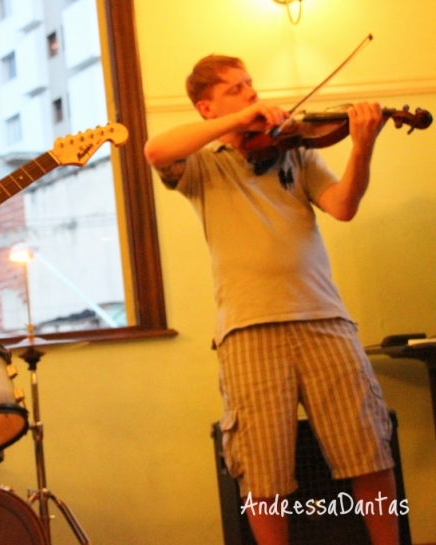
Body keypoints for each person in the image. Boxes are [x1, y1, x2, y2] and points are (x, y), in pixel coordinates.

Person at [144, 55, 399, 545]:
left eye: (251, 85)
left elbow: (343, 206)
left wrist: (361, 146)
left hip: (324, 318)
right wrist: (240, 120)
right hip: (247, 329)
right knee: (263, 470)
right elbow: (156, 150)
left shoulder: (296, 150)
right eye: (237, 88)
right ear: (207, 106)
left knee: (368, 451)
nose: (252, 93)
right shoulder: (200, 163)